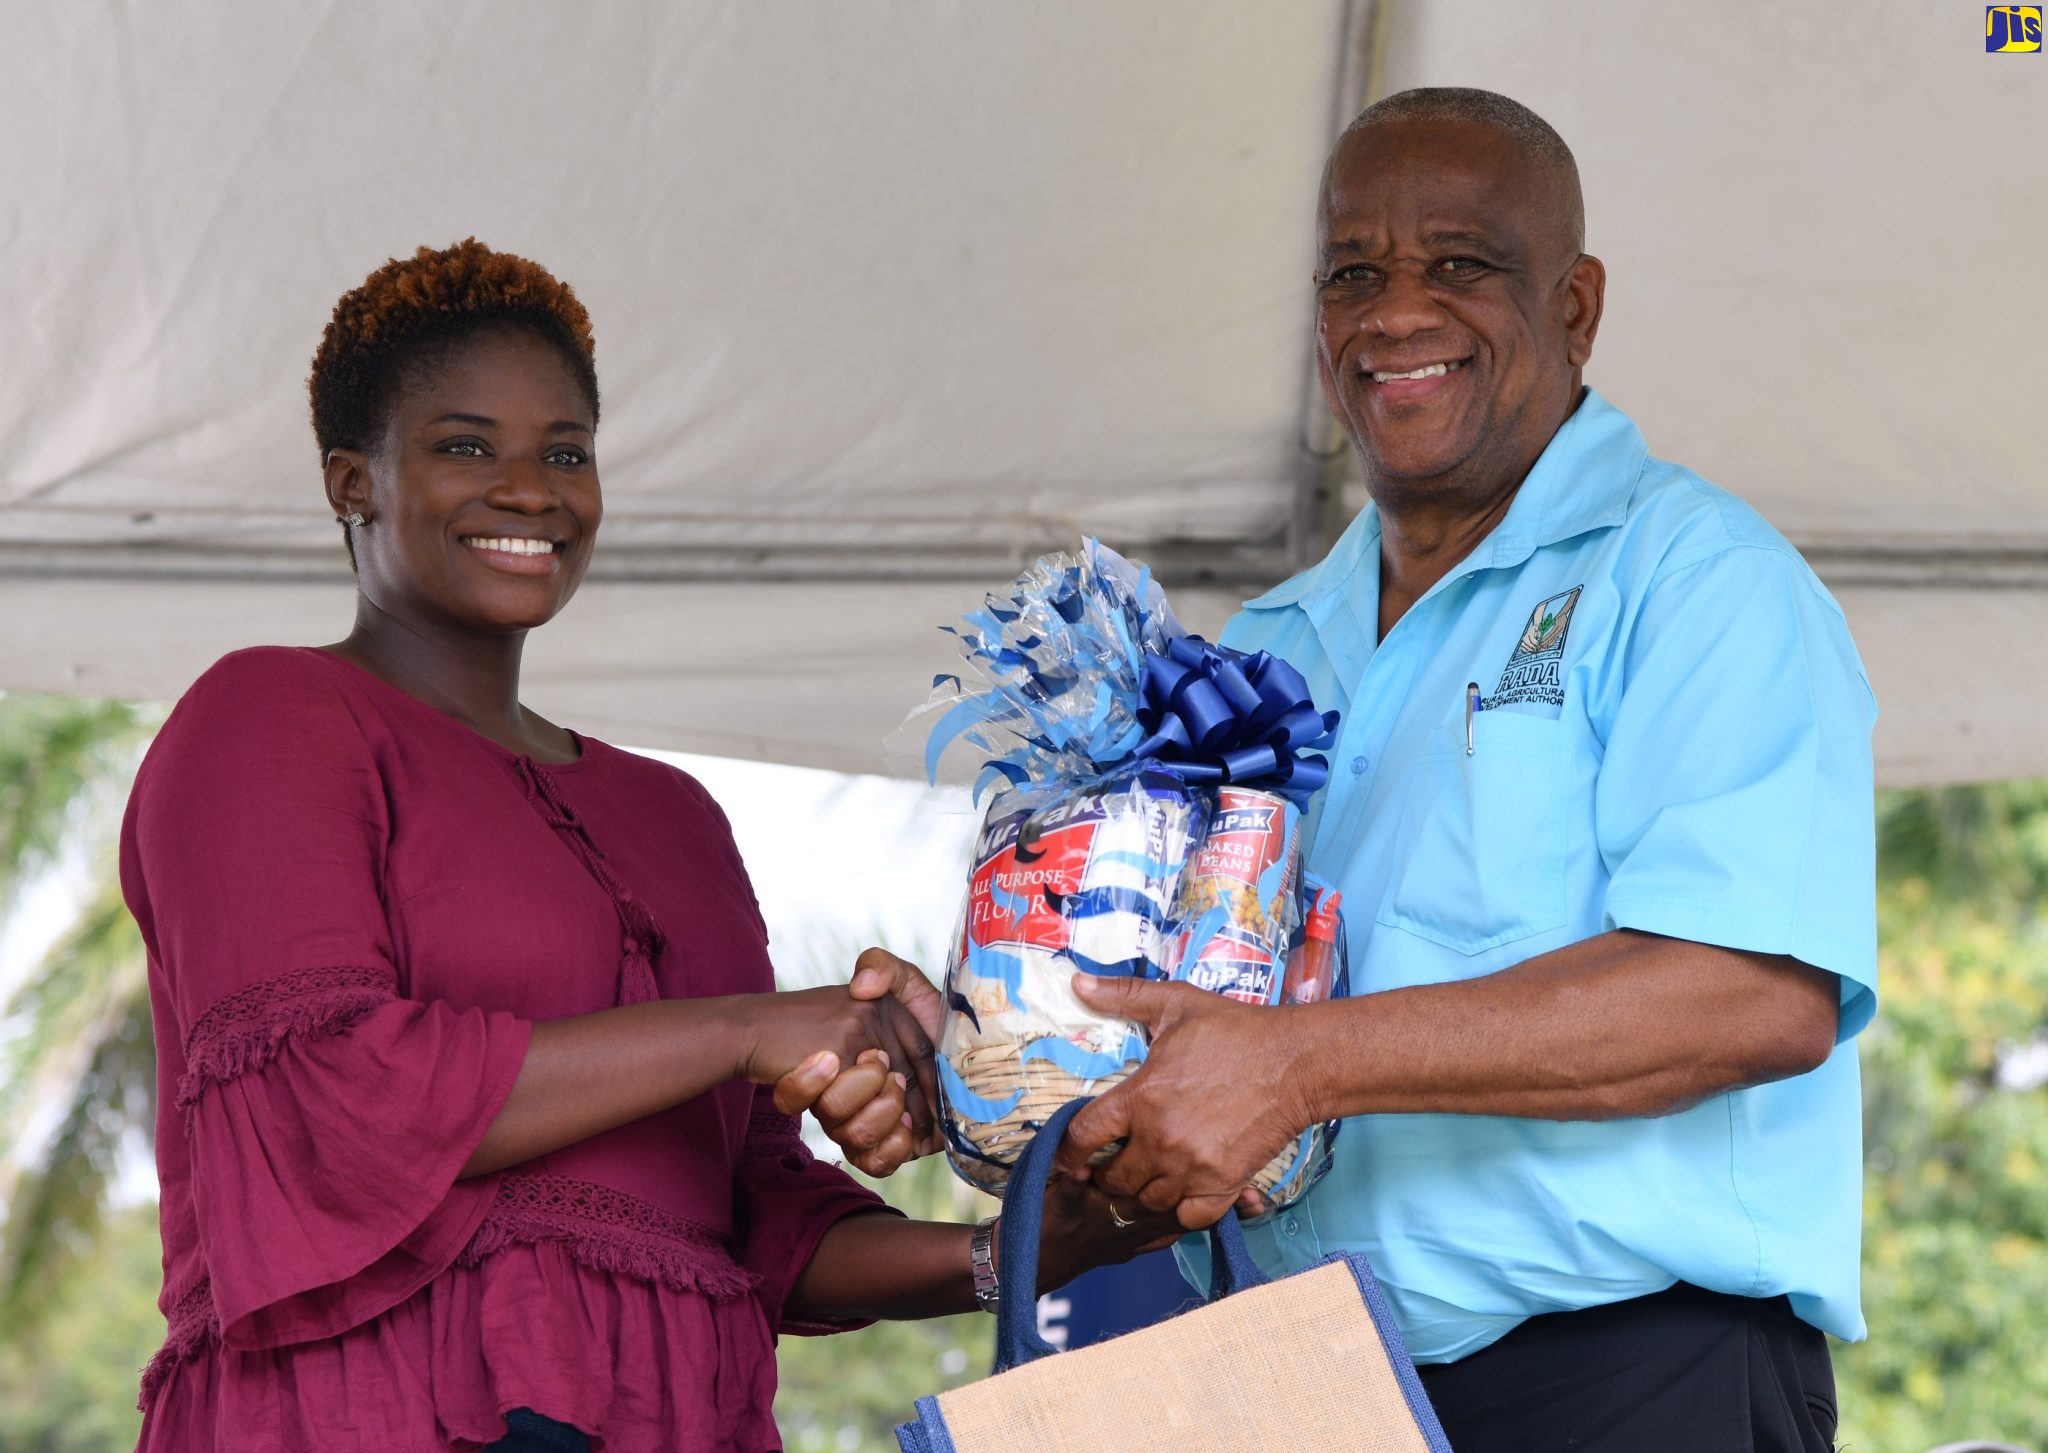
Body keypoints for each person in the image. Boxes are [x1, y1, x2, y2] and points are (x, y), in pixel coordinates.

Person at [122, 239, 1169, 1453]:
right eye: (468, 446)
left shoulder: (673, 814)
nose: (529, 489)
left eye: (564, 452)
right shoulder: (268, 718)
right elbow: (329, 1097)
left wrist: (1010, 1249)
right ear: (353, 481)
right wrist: (749, 1027)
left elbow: (751, 1214)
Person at [1028, 88, 1876, 1451]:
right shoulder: (1265, 644)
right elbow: (1198, 1015)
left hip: (1629, 1379)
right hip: (1297, 1388)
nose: (1396, 313)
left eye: (1460, 266)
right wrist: (1002, 1041)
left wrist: (1301, 1068)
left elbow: (1751, 990)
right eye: (1353, 274)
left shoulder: (1695, 576)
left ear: (1578, 307)